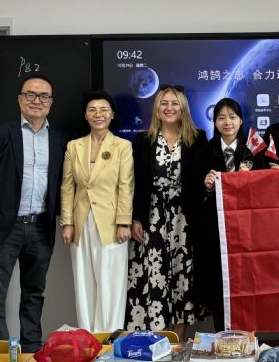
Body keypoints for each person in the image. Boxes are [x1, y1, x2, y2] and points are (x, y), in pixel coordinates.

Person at [0, 74, 68, 352]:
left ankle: (31, 350)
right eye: (30, 95)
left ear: (51, 102)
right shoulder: (0, 135)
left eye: (43, 96)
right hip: (5, 226)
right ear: (20, 99)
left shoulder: (60, 139)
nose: (37, 101)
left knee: (34, 294)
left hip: (40, 227)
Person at [126, 85, 207, 341]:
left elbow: (202, 182)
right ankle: (154, 343)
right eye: (164, 103)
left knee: (182, 279)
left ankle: (176, 344)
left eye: (174, 103)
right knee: (153, 277)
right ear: (157, 109)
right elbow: (134, 183)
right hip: (151, 218)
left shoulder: (197, 138)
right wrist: (135, 218)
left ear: (183, 108)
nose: (169, 108)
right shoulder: (143, 140)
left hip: (185, 221)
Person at [60, 90, 134, 333]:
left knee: (110, 282)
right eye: (92, 110)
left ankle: (109, 337)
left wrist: (124, 222)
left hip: (111, 223)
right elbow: (67, 187)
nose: (98, 114)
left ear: (112, 115)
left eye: (103, 110)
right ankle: (87, 336)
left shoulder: (122, 146)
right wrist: (67, 223)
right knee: (83, 281)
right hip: (81, 221)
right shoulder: (74, 146)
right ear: (86, 115)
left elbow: (126, 186)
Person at [200, 98, 253, 331]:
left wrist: (252, 179)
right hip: (216, 231)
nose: (227, 122)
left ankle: (247, 337)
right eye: (221, 117)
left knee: (246, 282)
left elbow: (267, 191)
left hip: (247, 231)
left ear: (241, 121)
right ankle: (221, 335)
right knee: (218, 284)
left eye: (232, 117)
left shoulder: (253, 151)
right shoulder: (205, 151)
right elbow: (194, 192)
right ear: (215, 122)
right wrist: (207, 186)